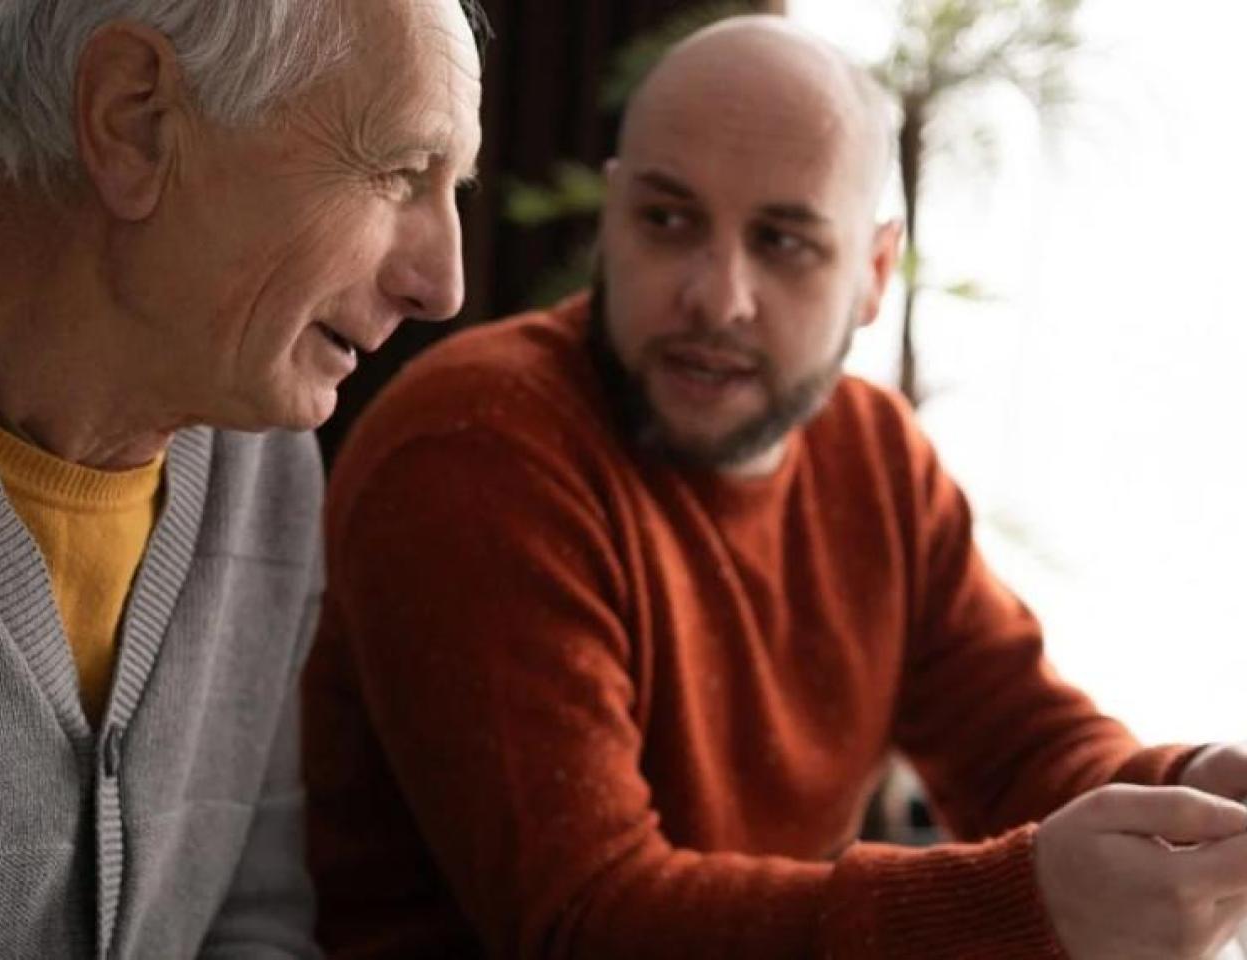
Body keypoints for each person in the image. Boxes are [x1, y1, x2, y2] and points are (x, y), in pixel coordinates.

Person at [304, 14, 1247, 960]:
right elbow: (586, 919)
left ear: (873, 274)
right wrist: (1016, 902)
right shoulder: (477, 444)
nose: (718, 299)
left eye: (784, 242)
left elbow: (1024, 745)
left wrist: (1201, 795)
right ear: (612, 219)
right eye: (667, 221)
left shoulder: (877, 456)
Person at [0, 0, 481, 956]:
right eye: (400, 171)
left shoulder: (264, 465)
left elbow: (255, 918)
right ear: (136, 120)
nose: (441, 285)